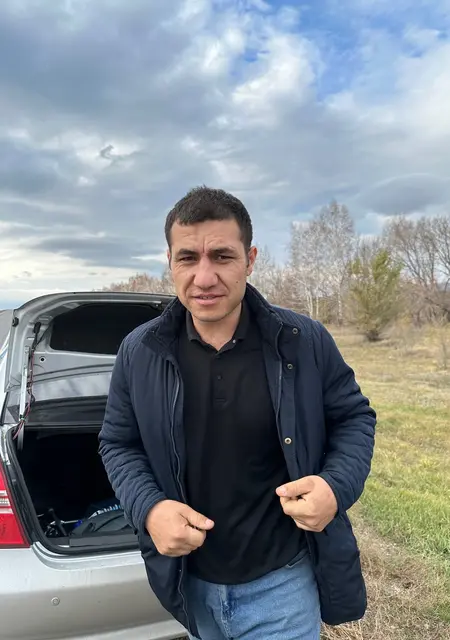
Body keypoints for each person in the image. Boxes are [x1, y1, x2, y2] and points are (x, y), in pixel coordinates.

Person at [99, 186, 376, 640]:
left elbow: (354, 418)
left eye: (222, 256)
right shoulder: (140, 351)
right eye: (188, 258)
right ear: (170, 262)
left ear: (250, 259)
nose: (204, 277)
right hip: (191, 586)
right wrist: (149, 509)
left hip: (283, 586)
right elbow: (118, 443)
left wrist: (335, 486)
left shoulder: (302, 341)